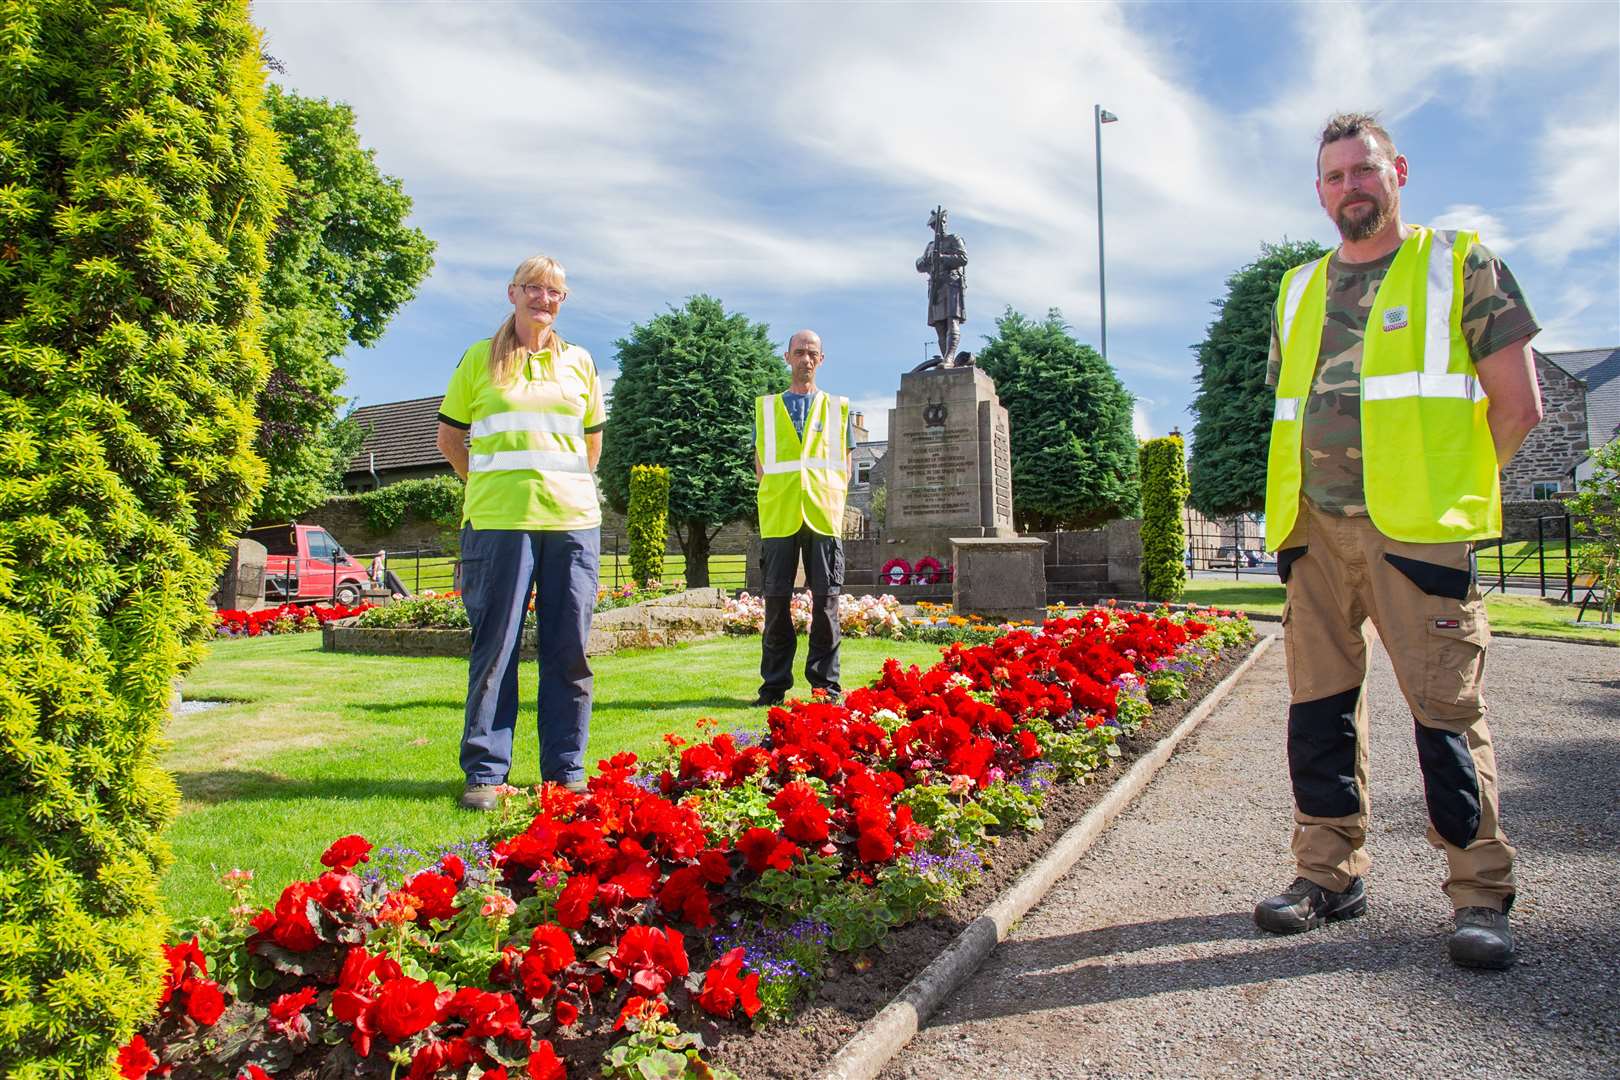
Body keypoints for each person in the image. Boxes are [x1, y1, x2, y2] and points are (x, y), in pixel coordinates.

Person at [1255, 113, 1543, 969]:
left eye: (1364, 170)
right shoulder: (1297, 288)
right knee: (1317, 713)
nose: (1351, 186)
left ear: (1399, 172)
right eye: (1334, 175)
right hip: (1313, 533)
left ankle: (1480, 892)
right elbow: (1290, 411)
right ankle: (1328, 875)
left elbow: (1519, 408)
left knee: (1446, 716)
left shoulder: (1461, 264)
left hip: (1416, 535)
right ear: (1319, 190)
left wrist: (1442, 494)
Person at [435, 255, 606, 811]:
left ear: (563, 300)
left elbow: (591, 446)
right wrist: (488, 484)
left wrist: (565, 487)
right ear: (512, 293)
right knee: (497, 648)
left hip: (572, 524)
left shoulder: (580, 363)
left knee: (569, 649)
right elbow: (449, 439)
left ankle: (566, 769)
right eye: (533, 288)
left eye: (554, 291)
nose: (544, 299)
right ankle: (485, 773)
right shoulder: (477, 360)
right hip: (499, 523)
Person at [753, 330, 856, 707]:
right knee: (776, 603)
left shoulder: (837, 407)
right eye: (799, 352)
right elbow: (761, 462)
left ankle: (825, 688)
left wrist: (832, 495)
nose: (806, 359)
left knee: (826, 603)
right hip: (779, 514)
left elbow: (845, 463)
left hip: (823, 515)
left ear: (822, 359)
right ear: (787, 357)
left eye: (812, 353)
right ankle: (773, 687)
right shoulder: (766, 408)